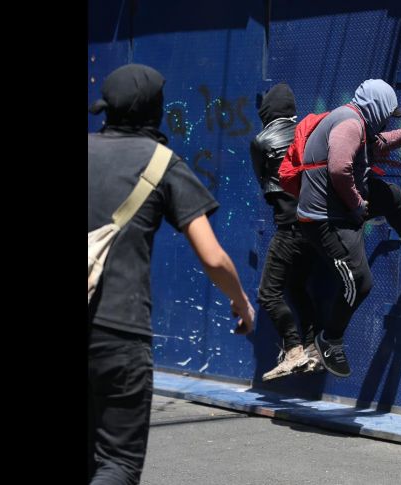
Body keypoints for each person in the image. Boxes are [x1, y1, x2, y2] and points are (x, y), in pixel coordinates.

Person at [88, 63, 255, 485]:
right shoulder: (162, 163)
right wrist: (241, 301)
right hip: (119, 333)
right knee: (117, 463)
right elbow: (213, 257)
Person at [297, 79, 401, 378]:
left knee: (390, 197)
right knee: (359, 282)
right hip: (327, 221)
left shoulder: (357, 123)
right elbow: (338, 169)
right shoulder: (350, 124)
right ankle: (330, 339)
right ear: (375, 108)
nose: (387, 119)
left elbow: (380, 143)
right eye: (387, 113)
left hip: (340, 208)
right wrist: (359, 205)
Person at [250, 82, 322, 380]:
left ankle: (293, 351)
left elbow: (263, 181)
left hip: (289, 227)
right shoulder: (310, 134)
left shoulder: (262, 140)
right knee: (297, 287)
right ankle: (313, 350)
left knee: (268, 293)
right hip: (317, 228)